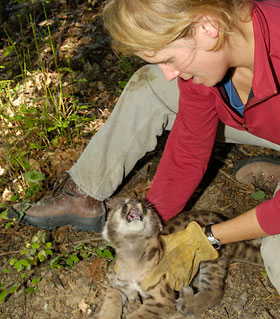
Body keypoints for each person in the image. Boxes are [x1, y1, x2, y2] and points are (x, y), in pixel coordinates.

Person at [8, 0, 280, 294]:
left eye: (169, 59)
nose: (169, 73)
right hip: (262, 119)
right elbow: (189, 148)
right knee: (151, 84)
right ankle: (84, 194)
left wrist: (207, 239)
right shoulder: (208, 57)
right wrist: (148, 231)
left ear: (206, 26)